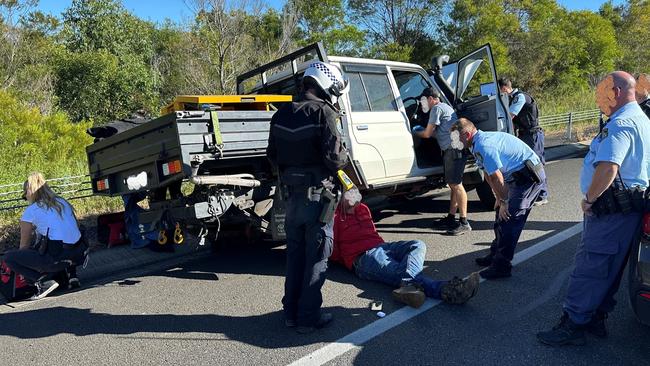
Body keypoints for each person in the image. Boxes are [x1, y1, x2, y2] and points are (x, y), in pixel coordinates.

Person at [537, 71, 650, 347]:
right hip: (628, 210)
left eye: (603, 92)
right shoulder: (642, 120)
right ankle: (595, 318)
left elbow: (609, 167)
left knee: (590, 266)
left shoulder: (622, 123)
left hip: (610, 209)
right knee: (609, 268)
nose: (600, 98)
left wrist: (589, 198)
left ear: (618, 91)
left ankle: (574, 324)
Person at [266, 61, 350, 334]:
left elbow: (272, 157)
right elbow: (335, 159)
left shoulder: (280, 115)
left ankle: (290, 312)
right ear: (327, 84)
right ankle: (308, 317)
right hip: (318, 199)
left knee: (294, 257)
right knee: (316, 258)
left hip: (291, 199)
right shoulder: (324, 113)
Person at [331, 188, 479, 308]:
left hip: (382, 246)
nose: (354, 205)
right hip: (363, 257)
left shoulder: (363, 208)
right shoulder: (335, 216)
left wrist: (386, 249)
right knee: (400, 271)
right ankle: (452, 291)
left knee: (417, 244)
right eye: (349, 201)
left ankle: (407, 284)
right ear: (342, 199)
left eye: (356, 200)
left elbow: (372, 232)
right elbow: (333, 249)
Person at [451, 118, 546, 279]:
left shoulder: (483, 145)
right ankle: (495, 255)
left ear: (466, 134)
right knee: (499, 214)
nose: (455, 141)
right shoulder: (475, 143)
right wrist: (498, 198)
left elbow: (496, 177)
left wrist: (505, 201)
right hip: (514, 176)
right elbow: (488, 174)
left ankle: (502, 267)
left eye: (456, 137)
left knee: (510, 219)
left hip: (527, 177)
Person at [3, 172, 87, 300]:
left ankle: (42, 283)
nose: (25, 198)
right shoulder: (62, 202)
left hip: (57, 258)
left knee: (9, 258)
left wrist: (25, 267)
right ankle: (72, 275)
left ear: (29, 192)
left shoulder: (31, 211)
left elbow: (24, 246)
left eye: (24, 195)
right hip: (80, 253)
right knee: (65, 240)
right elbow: (74, 229)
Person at [412, 87, 470, 235]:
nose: (423, 104)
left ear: (431, 99)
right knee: (453, 184)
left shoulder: (436, 109)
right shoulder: (445, 107)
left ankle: (464, 222)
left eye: (424, 100)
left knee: (456, 185)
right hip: (455, 149)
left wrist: (414, 130)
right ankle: (451, 218)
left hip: (453, 150)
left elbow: (427, 134)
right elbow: (439, 132)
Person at [498, 78, 548, 206]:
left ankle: (542, 195)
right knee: (527, 164)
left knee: (536, 163)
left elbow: (511, 115)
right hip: (525, 134)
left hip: (532, 134)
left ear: (503, 88)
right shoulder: (514, 97)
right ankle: (534, 193)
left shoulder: (520, 97)